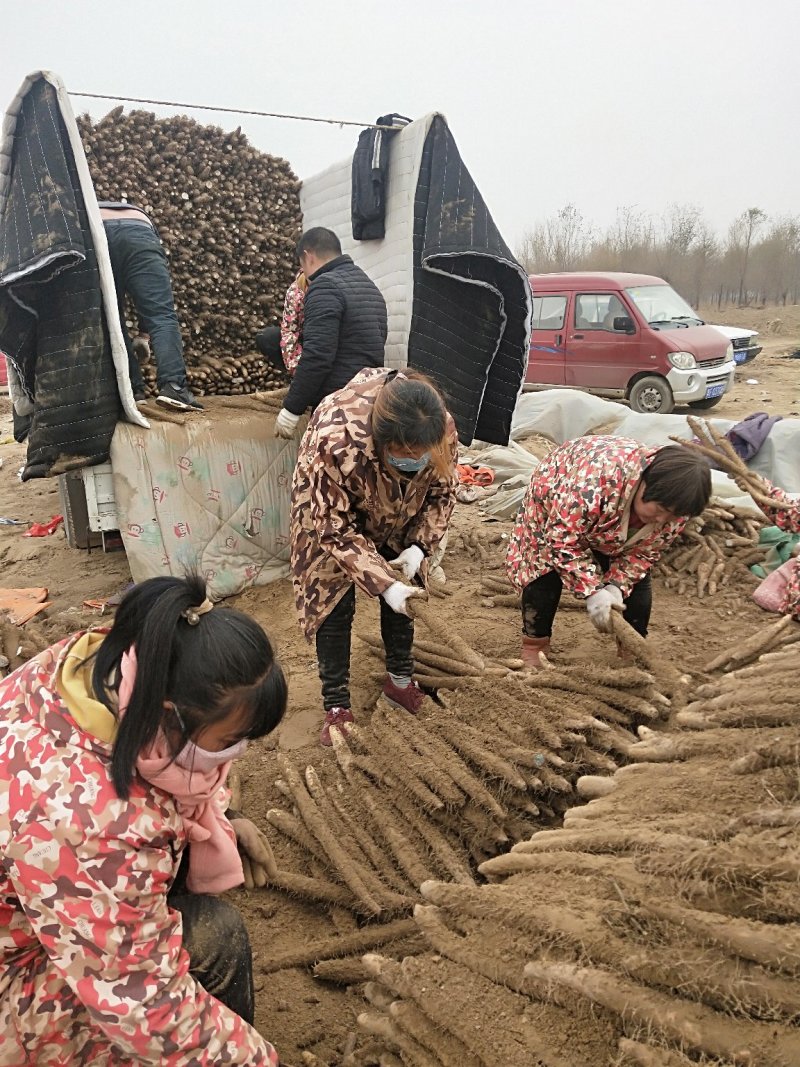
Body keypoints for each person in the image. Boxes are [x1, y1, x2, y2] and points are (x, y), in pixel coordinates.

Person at [0, 575, 286, 1065]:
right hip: (16, 979)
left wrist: (222, 816)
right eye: (228, 742)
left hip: (45, 902)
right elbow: (148, 1008)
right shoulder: (85, 817)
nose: (236, 755)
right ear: (170, 714)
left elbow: (165, 777)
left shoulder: (109, 664)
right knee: (217, 937)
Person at [290, 367, 458, 744]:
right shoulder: (335, 440)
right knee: (331, 596)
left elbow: (443, 492)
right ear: (380, 444)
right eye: (403, 456)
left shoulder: (438, 427)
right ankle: (336, 708)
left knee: (407, 590)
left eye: (421, 456)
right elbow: (333, 527)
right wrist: (382, 584)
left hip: (401, 507)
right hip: (329, 513)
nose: (413, 461)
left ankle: (400, 682)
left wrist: (419, 546)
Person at [506, 437, 712, 667]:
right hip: (558, 493)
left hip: (601, 510)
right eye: (661, 509)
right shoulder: (593, 483)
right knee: (543, 571)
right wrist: (592, 590)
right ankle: (535, 646)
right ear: (644, 483)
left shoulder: (676, 511)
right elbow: (561, 542)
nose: (662, 520)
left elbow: (643, 555)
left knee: (637, 582)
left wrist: (617, 585)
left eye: (672, 516)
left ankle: (632, 646)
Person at [274, 227, 387, 439]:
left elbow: (318, 356)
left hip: (338, 404)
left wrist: (292, 409)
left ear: (308, 256)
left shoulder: (324, 287)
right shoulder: (368, 285)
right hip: (369, 398)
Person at [99, 201, 203, 411]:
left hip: (97, 231)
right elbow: (153, 306)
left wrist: (141, 337)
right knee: (162, 316)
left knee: (112, 319)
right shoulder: (141, 221)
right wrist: (144, 335)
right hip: (139, 230)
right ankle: (174, 387)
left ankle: (132, 391)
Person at [254, 271, 308, 376]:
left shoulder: (330, 290)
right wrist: (295, 367)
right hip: (304, 338)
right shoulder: (295, 292)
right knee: (267, 337)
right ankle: (292, 375)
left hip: (325, 341)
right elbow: (289, 330)